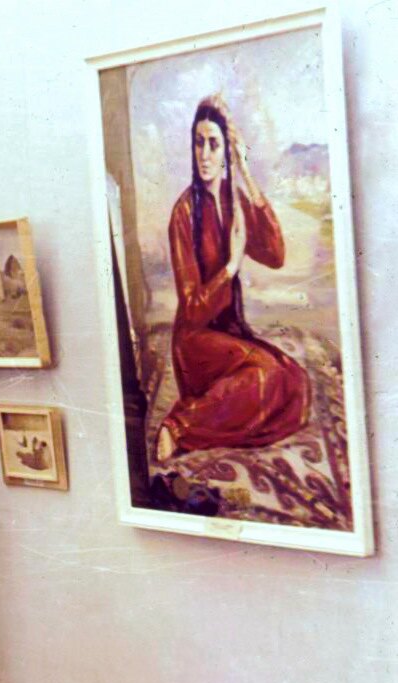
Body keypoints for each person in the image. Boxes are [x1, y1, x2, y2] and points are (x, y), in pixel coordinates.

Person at [155, 95, 310, 462]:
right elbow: (192, 308)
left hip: (231, 334)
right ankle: (179, 426)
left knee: (296, 381)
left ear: (227, 150)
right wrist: (231, 267)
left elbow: (275, 254)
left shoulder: (233, 198)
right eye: (199, 143)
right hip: (196, 342)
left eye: (214, 144)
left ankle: (224, 417)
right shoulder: (183, 213)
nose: (205, 154)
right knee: (266, 375)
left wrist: (246, 173)